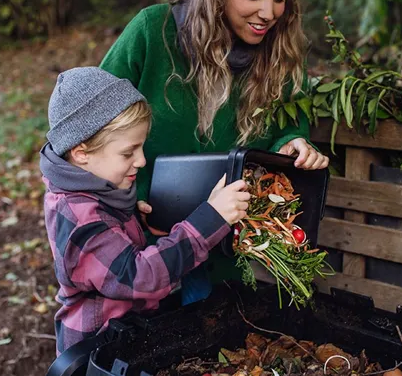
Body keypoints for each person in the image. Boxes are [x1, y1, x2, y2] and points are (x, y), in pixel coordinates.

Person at [100, 0, 329, 303]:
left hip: (220, 254)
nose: (269, 13)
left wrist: (294, 143)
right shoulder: (153, 32)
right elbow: (92, 123)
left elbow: (286, 127)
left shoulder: (281, 58)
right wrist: (128, 197)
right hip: (137, 247)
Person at [39, 67, 251, 354]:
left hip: (131, 333)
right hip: (99, 349)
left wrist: (133, 219)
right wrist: (210, 220)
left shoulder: (93, 186)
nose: (140, 161)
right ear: (81, 153)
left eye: (141, 148)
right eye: (128, 152)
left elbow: (109, 238)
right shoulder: (78, 215)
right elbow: (139, 276)